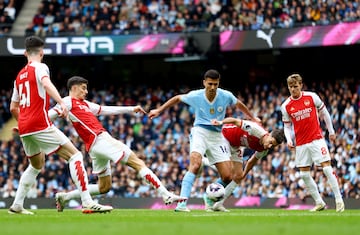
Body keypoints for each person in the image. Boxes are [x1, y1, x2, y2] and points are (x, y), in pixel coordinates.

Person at [49, 76, 187, 212]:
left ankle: (65, 197)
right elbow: (50, 114)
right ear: (73, 88)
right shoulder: (67, 101)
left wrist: (131, 109)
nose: (86, 92)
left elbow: (105, 110)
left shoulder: (84, 104)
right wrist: (38, 124)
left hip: (94, 146)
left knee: (104, 187)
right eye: (83, 88)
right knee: (138, 163)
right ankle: (165, 194)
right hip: (100, 139)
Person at [8, 36, 113, 215]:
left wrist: (23, 123)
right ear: (41, 53)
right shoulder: (41, 67)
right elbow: (46, 83)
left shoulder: (19, 77)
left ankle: (17, 205)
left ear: (26, 53)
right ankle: (87, 202)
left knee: (36, 165)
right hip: (39, 123)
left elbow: (13, 107)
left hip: (25, 126)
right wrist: (61, 103)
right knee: (75, 156)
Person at [148, 69, 260, 212]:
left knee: (227, 176)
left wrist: (252, 117)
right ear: (204, 83)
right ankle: (182, 203)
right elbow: (177, 98)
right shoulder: (196, 96)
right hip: (200, 132)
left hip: (218, 136)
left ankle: (209, 196)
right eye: (210, 84)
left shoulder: (225, 95)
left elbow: (238, 104)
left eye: (216, 84)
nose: (213, 87)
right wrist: (159, 110)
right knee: (195, 164)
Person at [280, 73, 345, 212]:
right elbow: (287, 126)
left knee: (327, 168)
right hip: (301, 144)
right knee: (303, 174)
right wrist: (289, 139)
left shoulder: (311, 97)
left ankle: (339, 200)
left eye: (295, 86)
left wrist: (331, 131)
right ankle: (319, 202)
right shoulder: (286, 106)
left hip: (316, 139)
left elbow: (325, 113)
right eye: (290, 87)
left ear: (301, 85)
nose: (293, 89)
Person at [201, 117, 285, 212]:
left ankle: (218, 204)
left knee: (237, 176)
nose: (270, 146)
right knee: (227, 172)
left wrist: (243, 175)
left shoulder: (264, 150)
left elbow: (252, 161)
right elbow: (235, 120)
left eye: (273, 146)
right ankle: (208, 196)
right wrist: (220, 122)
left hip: (236, 145)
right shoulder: (255, 129)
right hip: (224, 137)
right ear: (269, 134)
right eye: (271, 142)